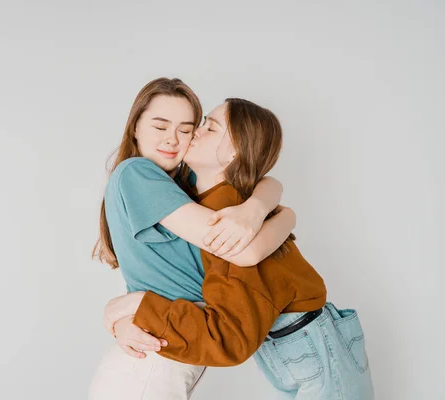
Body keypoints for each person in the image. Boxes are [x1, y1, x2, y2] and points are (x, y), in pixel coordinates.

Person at [101, 97, 374, 399]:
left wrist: (135, 306)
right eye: (161, 125)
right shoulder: (194, 196)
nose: (188, 136)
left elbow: (230, 336)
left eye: (201, 127)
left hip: (314, 348)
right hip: (295, 348)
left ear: (233, 152)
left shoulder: (224, 208)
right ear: (135, 125)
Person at [89, 78, 296, 399]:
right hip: (150, 358)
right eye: (160, 126)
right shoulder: (136, 173)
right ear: (135, 128)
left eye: (186, 129)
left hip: (172, 340)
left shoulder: (183, 184)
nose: (172, 139)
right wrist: (283, 215)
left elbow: (267, 181)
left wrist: (261, 203)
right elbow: (236, 248)